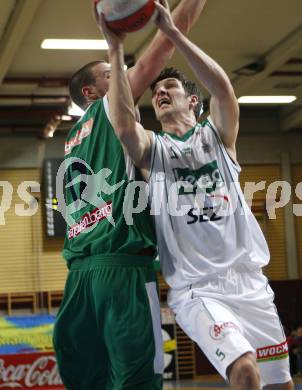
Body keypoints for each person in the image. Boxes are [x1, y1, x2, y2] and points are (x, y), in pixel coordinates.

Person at [103, 0, 294, 388]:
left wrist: (173, 32)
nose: (160, 91)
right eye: (155, 90)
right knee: (243, 370)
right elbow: (122, 124)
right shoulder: (153, 150)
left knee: (280, 385)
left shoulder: (217, 136)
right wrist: (116, 46)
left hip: (251, 282)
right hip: (198, 289)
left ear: (193, 100)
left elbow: (223, 89)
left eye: (169, 86)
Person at [53, 0, 207, 389]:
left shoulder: (73, 139)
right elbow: (164, 48)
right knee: (139, 379)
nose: (121, 73)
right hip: (121, 271)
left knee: (91, 380)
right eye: (111, 73)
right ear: (92, 92)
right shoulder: (109, 109)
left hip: (79, 279)